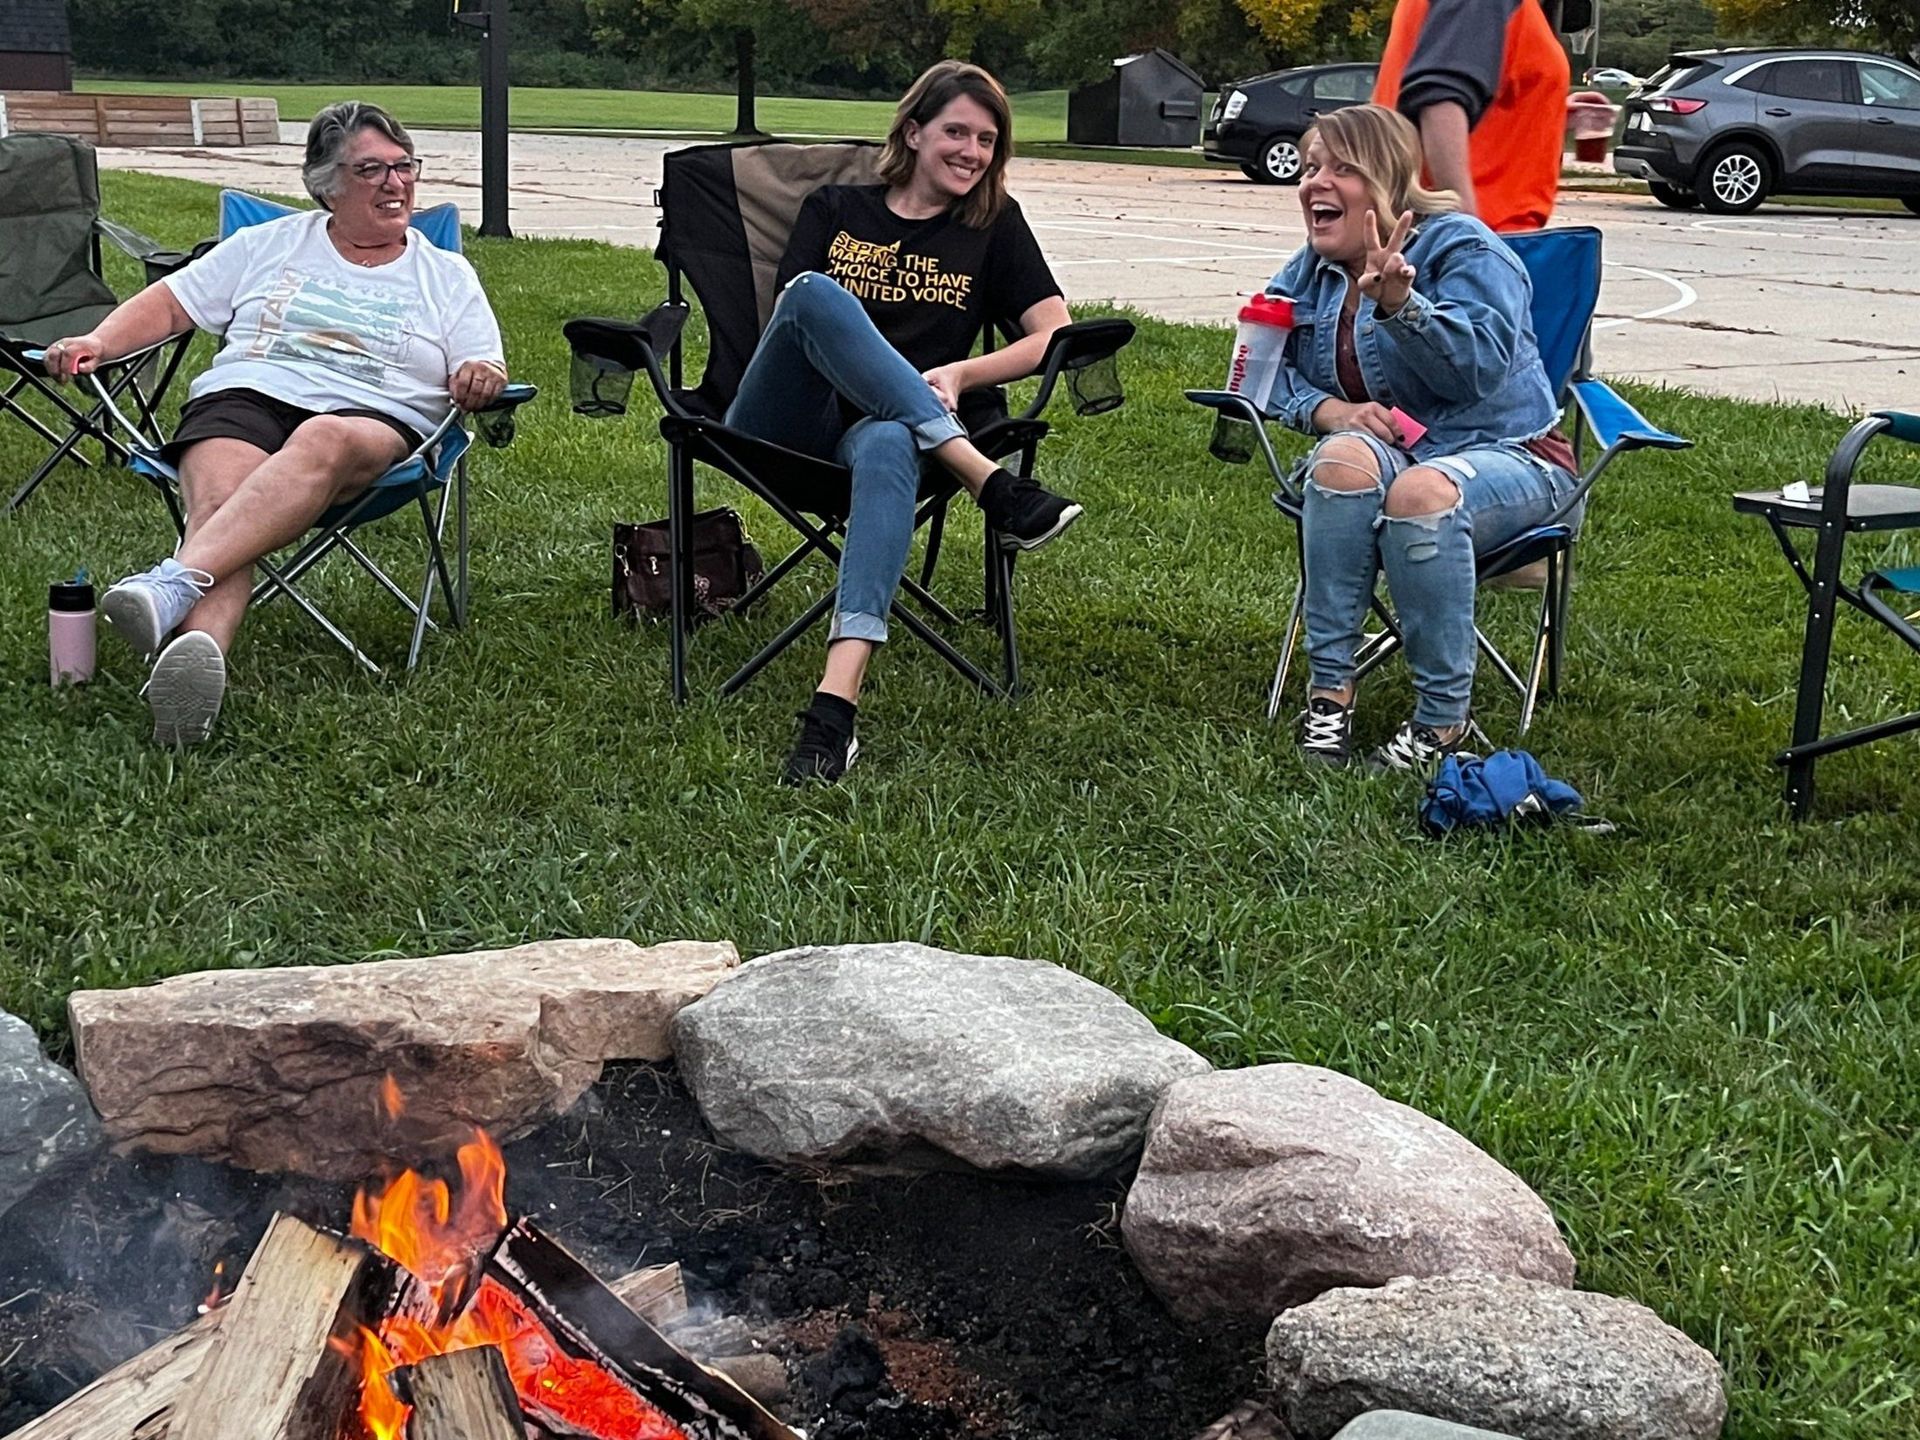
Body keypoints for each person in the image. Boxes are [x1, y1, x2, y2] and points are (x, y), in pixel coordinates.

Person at [43, 100, 507, 746]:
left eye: (403, 166)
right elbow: (172, 302)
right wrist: (99, 339)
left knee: (320, 439)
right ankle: (194, 668)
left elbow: (483, 361)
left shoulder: (445, 274)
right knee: (227, 501)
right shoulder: (268, 244)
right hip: (248, 396)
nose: (395, 183)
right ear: (327, 187)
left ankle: (170, 585)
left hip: (368, 420)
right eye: (370, 170)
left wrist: (480, 376)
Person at [725, 61, 1081, 786]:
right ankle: (987, 481)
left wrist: (962, 374)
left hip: (883, 440)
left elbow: (1053, 334)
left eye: (988, 140)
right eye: (957, 131)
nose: (972, 152)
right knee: (815, 294)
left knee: (891, 439)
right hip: (789, 421)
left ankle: (833, 710)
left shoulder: (992, 227)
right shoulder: (834, 209)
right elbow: (795, 318)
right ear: (913, 132)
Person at [1262, 104, 1579, 771]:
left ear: (1383, 178)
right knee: (1341, 461)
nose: (1315, 182)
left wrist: (1403, 308)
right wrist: (1329, 414)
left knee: (1418, 491)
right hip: (1397, 454)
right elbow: (1257, 367)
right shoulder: (1311, 270)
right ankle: (1330, 698)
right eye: (1312, 165)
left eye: (1341, 167)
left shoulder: (1461, 246)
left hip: (1515, 457)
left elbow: (1480, 371)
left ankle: (1441, 725)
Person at [1371, 0, 1571, 232]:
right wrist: (1469, 238)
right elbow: (1439, 102)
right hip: (1477, 237)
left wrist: (1547, 111)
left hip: (1416, 229)